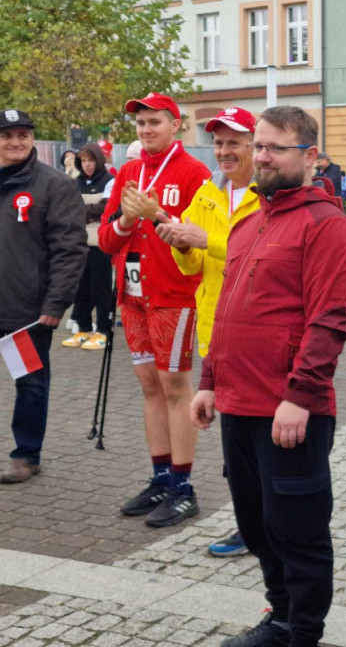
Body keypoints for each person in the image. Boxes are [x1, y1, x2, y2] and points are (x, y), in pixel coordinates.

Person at [190, 106, 346, 647]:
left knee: (299, 531)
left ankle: (303, 632)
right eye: (257, 145)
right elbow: (227, 311)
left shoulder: (327, 225)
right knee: (258, 525)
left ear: (309, 156)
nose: (259, 155)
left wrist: (301, 396)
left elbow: (329, 320)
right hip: (237, 403)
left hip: (288, 410)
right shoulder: (249, 218)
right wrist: (209, 379)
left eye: (273, 147)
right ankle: (281, 616)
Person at [98, 92, 211, 527]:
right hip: (132, 296)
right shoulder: (127, 170)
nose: (146, 130)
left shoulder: (194, 172)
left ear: (176, 125)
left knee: (175, 388)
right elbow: (107, 240)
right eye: (141, 123)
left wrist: (156, 212)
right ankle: (161, 477)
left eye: (155, 122)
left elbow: (196, 236)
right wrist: (127, 221)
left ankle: (184, 486)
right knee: (149, 387)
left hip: (173, 295)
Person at [155, 106, 259, 558]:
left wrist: (204, 241)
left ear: (257, 145)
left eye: (234, 142)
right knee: (234, 442)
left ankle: (267, 527)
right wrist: (180, 244)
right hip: (216, 332)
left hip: (259, 333)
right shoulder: (208, 194)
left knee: (260, 440)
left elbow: (260, 254)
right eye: (218, 143)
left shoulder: (267, 195)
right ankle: (250, 526)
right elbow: (193, 265)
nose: (224, 151)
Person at [0, 109, 87, 483]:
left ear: (33, 139)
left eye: (23, 134)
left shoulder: (54, 185)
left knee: (31, 385)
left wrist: (55, 305)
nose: (15, 142)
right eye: (7, 135)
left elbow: (70, 250)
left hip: (27, 311)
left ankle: (26, 455)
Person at [62, 142, 114, 351]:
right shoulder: (75, 182)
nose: (87, 165)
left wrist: (82, 210)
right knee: (80, 289)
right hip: (79, 244)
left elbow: (106, 209)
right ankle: (83, 328)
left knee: (101, 289)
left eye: (90, 160)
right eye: (83, 161)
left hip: (100, 244)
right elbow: (68, 209)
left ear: (98, 160)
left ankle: (103, 331)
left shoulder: (110, 181)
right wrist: (87, 211)